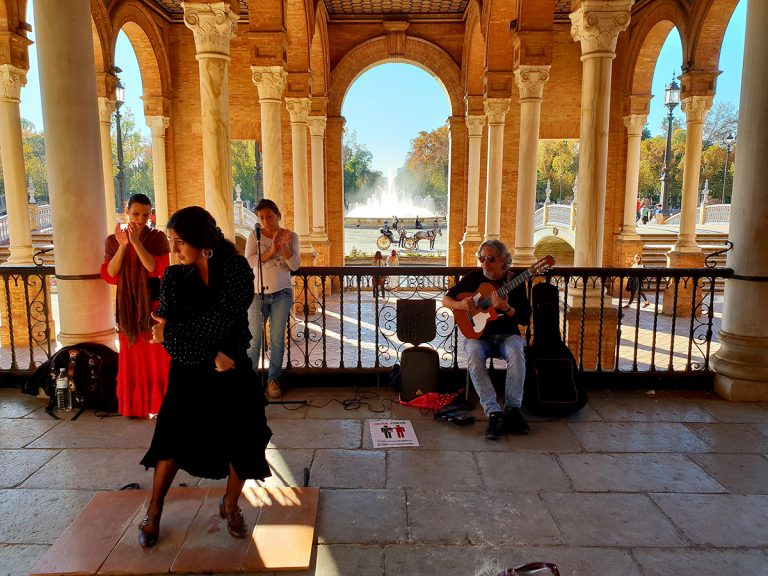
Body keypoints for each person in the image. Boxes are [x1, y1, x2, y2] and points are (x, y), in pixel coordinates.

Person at [138, 206, 271, 548]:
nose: (174, 250)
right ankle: (154, 509)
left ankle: (230, 505)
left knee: (245, 437)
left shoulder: (236, 269)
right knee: (171, 439)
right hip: (191, 370)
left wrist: (174, 332)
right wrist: (211, 354)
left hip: (234, 368)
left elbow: (222, 320)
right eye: (172, 242)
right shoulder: (172, 277)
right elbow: (169, 337)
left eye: (179, 242)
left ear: (201, 239)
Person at [442, 239, 531, 440]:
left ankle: (513, 410)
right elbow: (445, 299)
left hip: (507, 335)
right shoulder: (473, 278)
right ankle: (493, 412)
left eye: (491, 259)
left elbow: (525, 318)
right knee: (472, 354)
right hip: (479, 337)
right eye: (482, 259)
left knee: (517, 352)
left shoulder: (514, 282)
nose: (485, 263)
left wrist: (506, 308)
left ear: (503, 261)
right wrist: (461, 306)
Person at [100, 193, 170, 418]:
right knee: (132, 360)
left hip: (153, 305)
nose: (141, 219)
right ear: (126, 211)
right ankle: (135, 407)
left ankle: (161, 407)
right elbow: (111, 274)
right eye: (136, 214)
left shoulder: (158, 238)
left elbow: (154, 268)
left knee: (157, 358)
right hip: (128, 308)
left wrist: (136, 243)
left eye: (146, 214)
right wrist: (122, 246)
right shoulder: (113, 240)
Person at [245, 199, 301, 399]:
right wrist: (270, 250)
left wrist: (284, 247)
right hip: (257, 294)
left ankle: (273, 380)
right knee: (254, 341)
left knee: (277, 339)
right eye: (261, 217)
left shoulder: (291, 236)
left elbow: (294, 266)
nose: (266, 221)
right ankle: (249, 382)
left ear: (278, 215)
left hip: (282, 294)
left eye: (269, 216)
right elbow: (250, 260)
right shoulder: (255, 236)